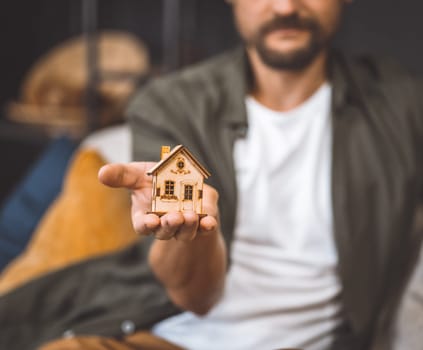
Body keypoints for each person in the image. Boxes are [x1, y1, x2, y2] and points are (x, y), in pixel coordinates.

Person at [37, 0, 423, 349]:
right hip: (166, 337)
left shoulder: (399, 105)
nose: (286, 6)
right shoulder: (175, 105)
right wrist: (192, 233)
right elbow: (195, 297)